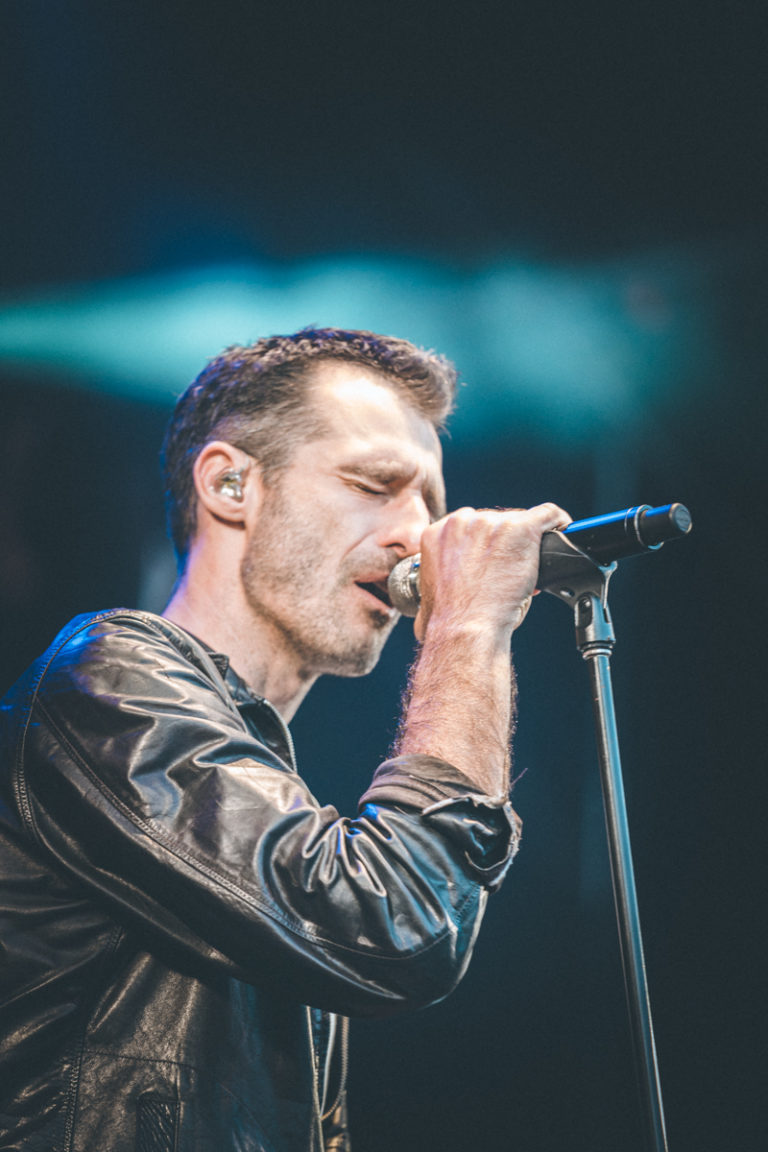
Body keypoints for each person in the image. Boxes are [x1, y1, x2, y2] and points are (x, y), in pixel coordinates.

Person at [0, 327, 568, 1152]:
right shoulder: (106, 675)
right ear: (230, 484)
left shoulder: (276, 798)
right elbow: (392, 926)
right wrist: (470, 625)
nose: (418, 534)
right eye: (375, 485)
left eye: (431, 505)